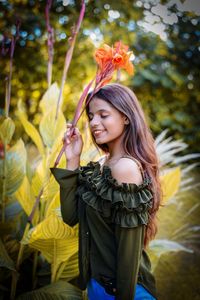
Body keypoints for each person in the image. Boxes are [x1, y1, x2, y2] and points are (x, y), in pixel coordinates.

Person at [51, 83, 161, 300]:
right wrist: (72, 158)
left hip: (124, 291)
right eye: (91, 116)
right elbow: (71, 217)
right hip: (97, 287)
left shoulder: (126, 168)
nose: (94, 123)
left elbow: (128, 255)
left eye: (103, 115)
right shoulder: (102, 164)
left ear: (126, 117)